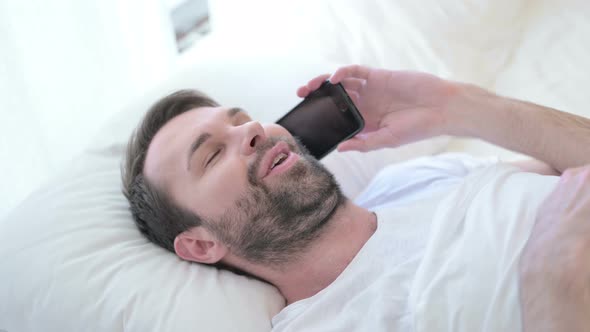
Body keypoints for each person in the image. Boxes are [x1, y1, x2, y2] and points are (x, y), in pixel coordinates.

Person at [122, 64, 590, 331]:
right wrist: (557, 302)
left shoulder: (416, 178)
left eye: (242, 119)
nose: (251, 132)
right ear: (202, 244)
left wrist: (461, 107)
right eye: (211, 155)